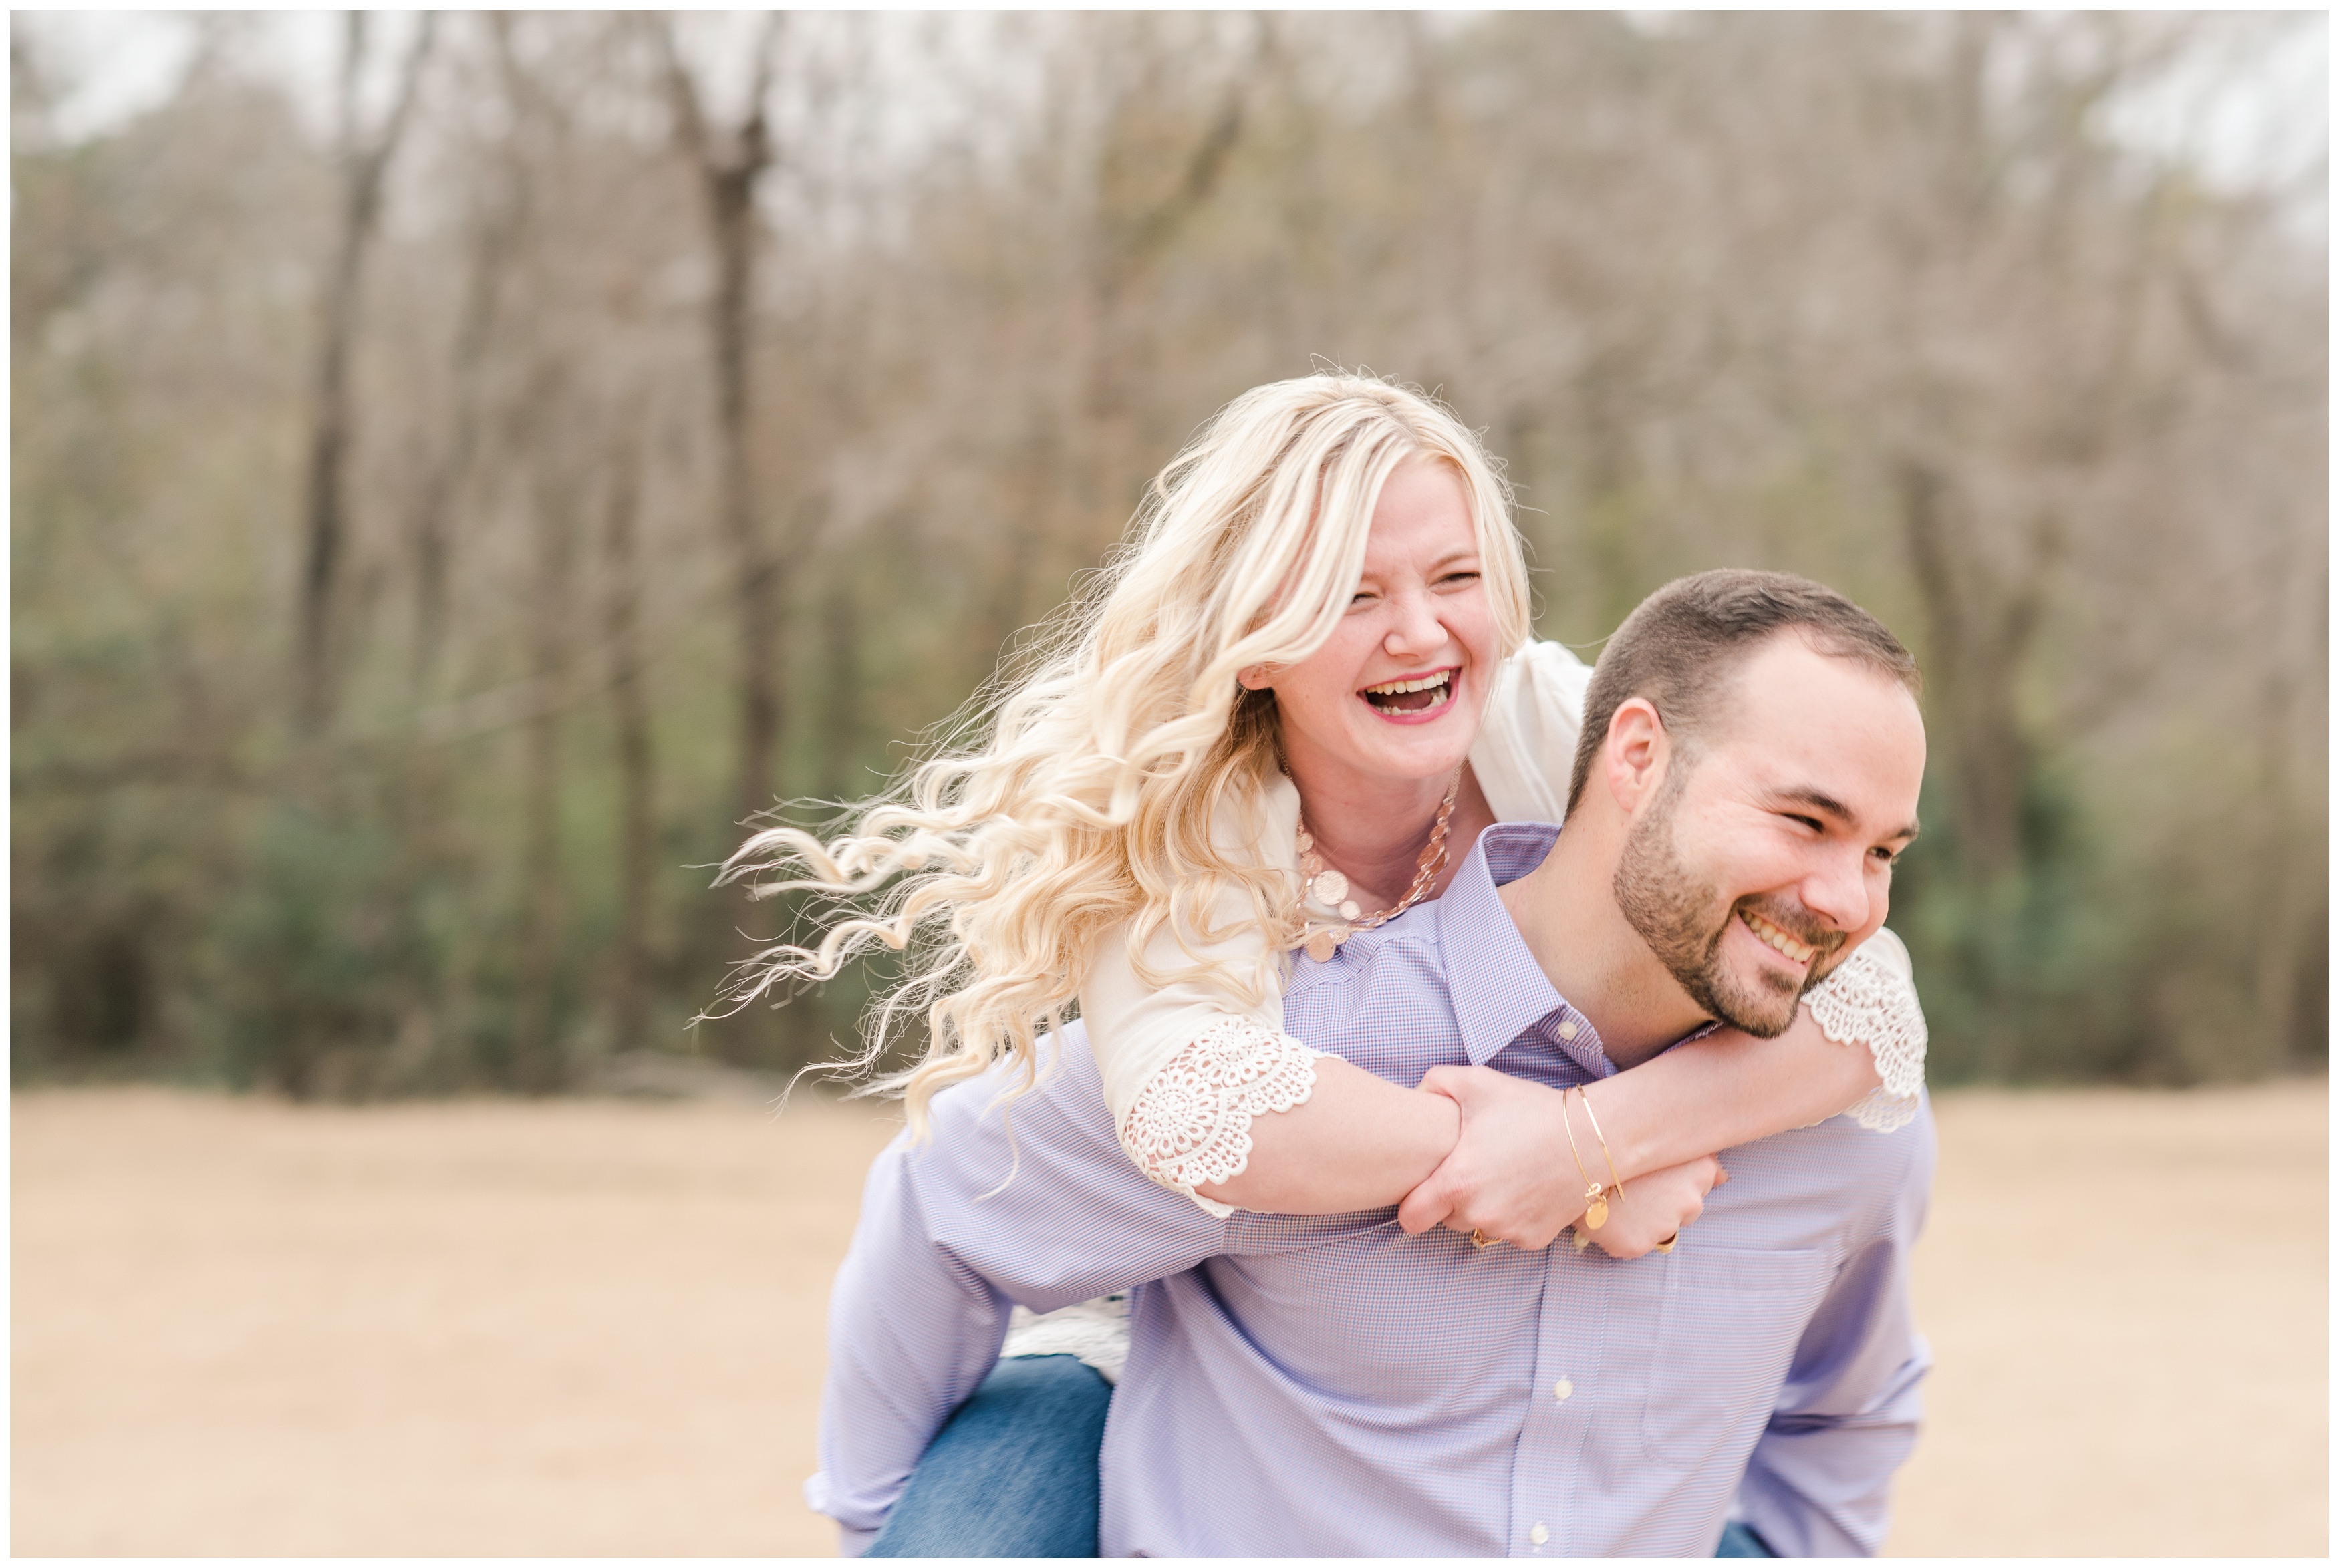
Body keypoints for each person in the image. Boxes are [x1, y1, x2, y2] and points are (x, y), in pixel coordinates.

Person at [718, 377, 1925, 1551]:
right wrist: (1563, 1176)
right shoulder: (1188, 856)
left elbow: (1873, 1007)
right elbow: (1176, 1120)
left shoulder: (1559, 727)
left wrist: (1590, 1141)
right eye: (1350, 595)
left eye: (1456, 578)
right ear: (1254, 643)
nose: (1420, 627)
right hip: (1120, 1289)